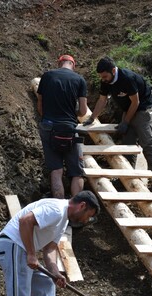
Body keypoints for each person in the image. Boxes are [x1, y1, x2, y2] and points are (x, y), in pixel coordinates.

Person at [0, 190, 100, 296]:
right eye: (88, 215)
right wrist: (31, 254)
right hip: (13, 246)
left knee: (46, 283)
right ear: (82, 205)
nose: (86, 221)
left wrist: (55, 272)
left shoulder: (63, 220)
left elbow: (49, 249)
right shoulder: (56, 209)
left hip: (21, 249)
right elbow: (25, 221)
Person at [84, 56, 152, 192]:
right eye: (101, 77)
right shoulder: (106, 81)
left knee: (147, 141)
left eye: (105, 76)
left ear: (113, 70)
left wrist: (126, 121)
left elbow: (135, 102)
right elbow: (102, 100)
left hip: (144, 108)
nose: (103, 79)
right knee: (127, 142)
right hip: (128, 109)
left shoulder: (127, 78)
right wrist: (92, 118)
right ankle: (126, 175)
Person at [37, 54, 88, 199]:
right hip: (70, 128)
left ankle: (60, 212)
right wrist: (74, 112)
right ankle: (76, 214)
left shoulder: (47, 76)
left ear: (59, 63)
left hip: (49, 126)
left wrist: (47, 118)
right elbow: (83, 111)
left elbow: (40, 105)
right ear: (73, 65)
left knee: (56, 170)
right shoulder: (79, 80)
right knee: (76, 172)